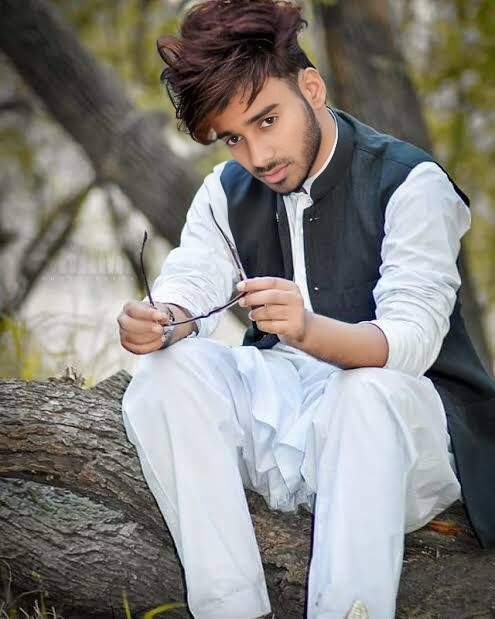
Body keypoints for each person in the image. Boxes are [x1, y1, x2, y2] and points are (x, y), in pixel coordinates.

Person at [117, 1, 495, 617]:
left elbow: (412, 340)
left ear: (311, 89)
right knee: (165, 373)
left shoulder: (410, 182)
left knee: (363, 393)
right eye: (234, 138)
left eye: (268, 120)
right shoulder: (224, 191)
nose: (258, 155)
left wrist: (310, 330)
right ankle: (232, 608)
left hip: (406, 434)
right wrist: (162, 320)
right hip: (289, 421)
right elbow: (192, 280)